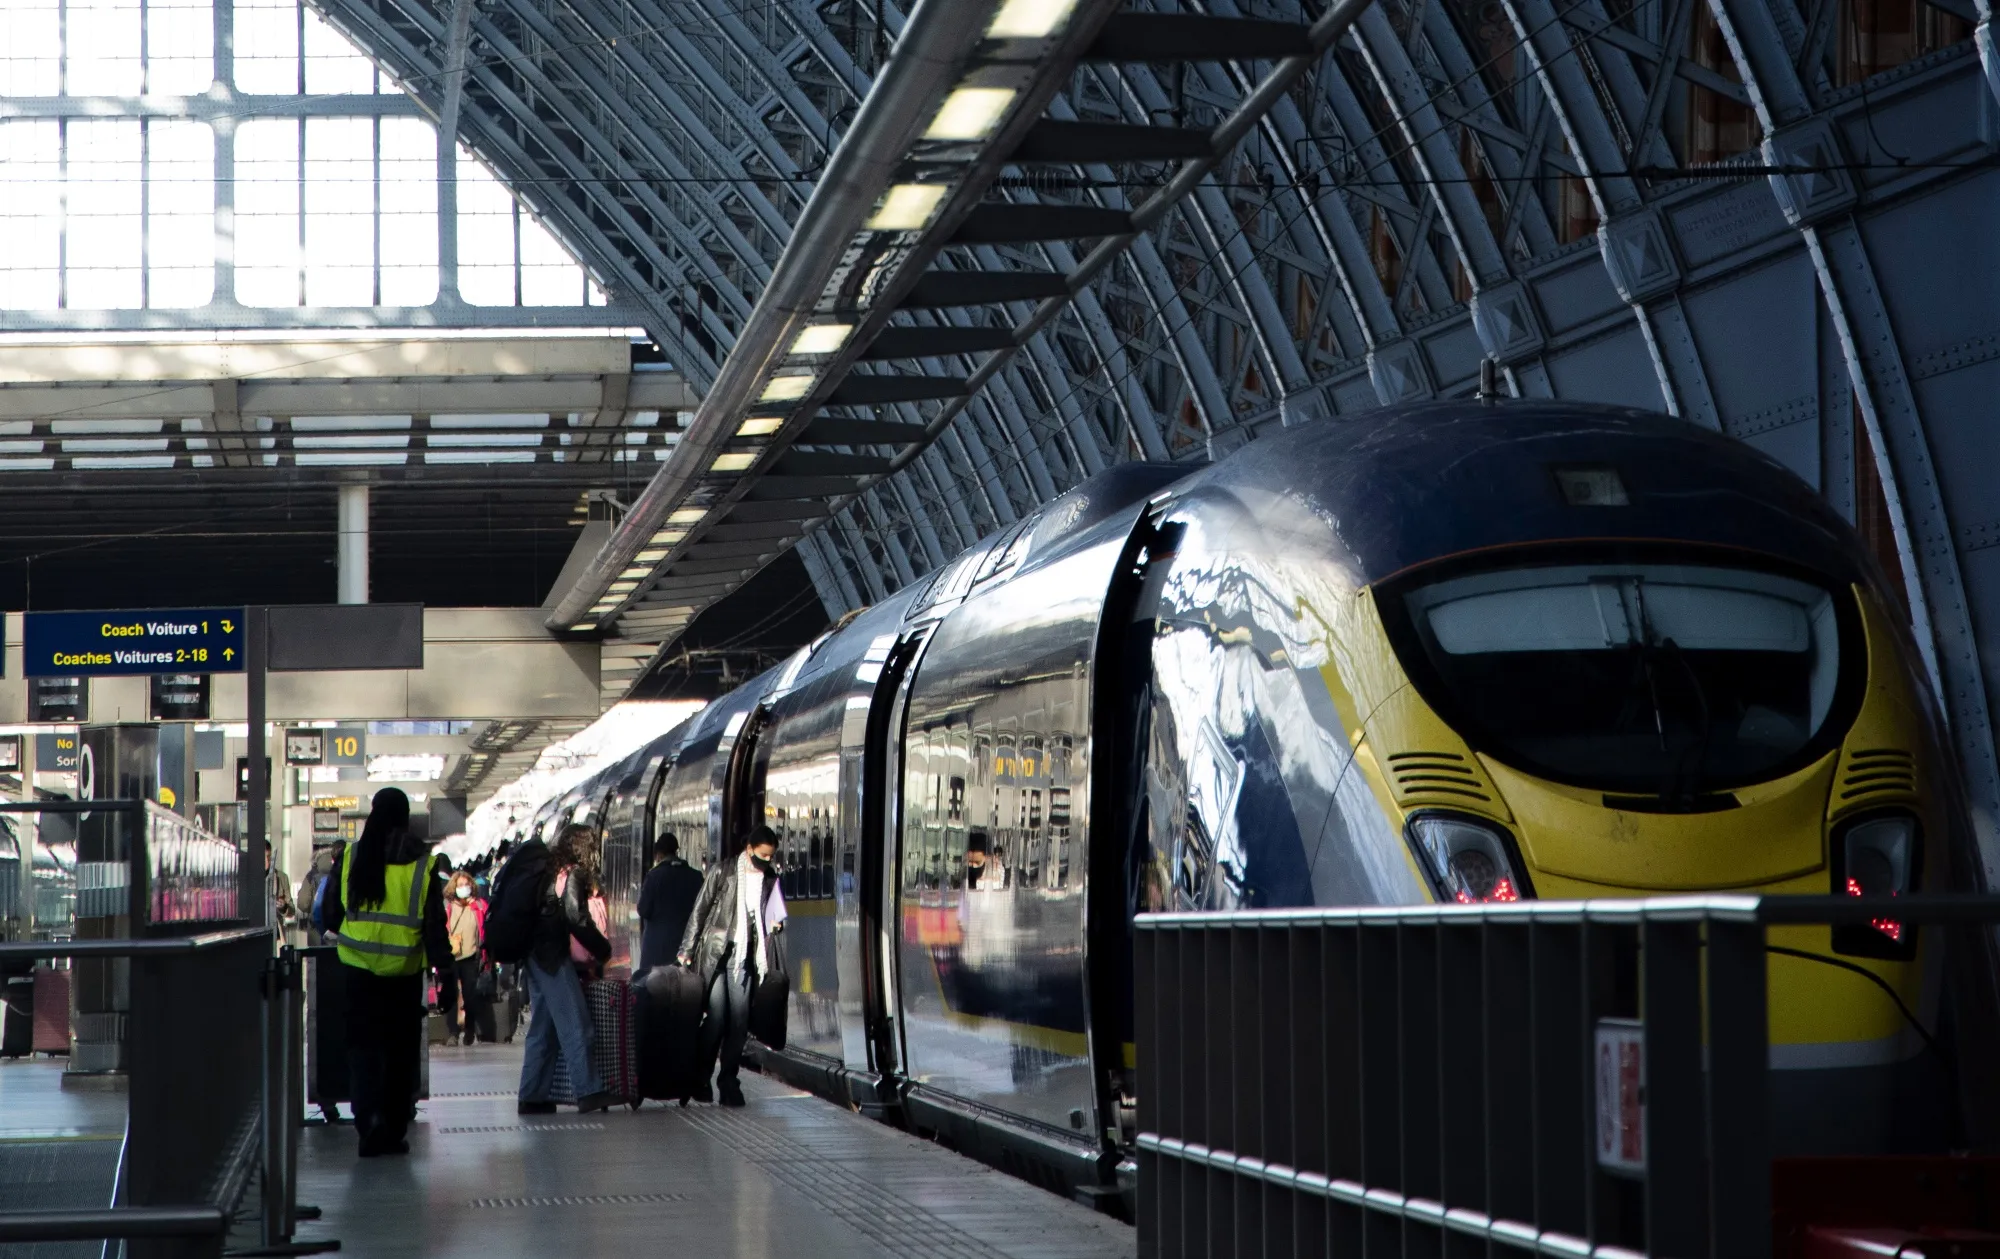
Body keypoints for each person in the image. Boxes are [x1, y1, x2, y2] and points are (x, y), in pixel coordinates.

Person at [319, 787, 448, 1157]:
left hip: (359, 975)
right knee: (399, 1054)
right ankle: (392, 1129)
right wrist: (449, 978)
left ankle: (367, 1124)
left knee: (363, 1052)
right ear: (406, 819)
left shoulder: (354, 857)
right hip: (403, 977)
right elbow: (435, 929)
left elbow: (329, 914)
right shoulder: (422, 864)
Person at [679, 824, 787, 1108]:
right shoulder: (722, 871)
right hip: (717, 956)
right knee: (716, 1018)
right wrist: (686, 951)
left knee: (739, 1023)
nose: (766, 862)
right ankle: (699, 1078)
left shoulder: (769, 879)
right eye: (762, 856)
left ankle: (729, 1081)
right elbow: (699, 911)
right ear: (749, 849)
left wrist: (775, 922)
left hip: (746, 958)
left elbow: (774, 912)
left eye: (770, 857)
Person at [517, 823, 616, 1115]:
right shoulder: (573, 873)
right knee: (577, 1024)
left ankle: (532, 1095)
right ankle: (589, 1091)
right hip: (553, 956)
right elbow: (576, 917)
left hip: (534, 953)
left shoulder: (549, 871)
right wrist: (603, 949)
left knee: (543, 1028)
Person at [635, 831, 702, 976]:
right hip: (685, 947)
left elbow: (643, 909)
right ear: (676, 851)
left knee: (653, 990)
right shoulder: (696, 877)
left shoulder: (654, 876)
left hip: (656, 949)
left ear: (658, 855)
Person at [444, 870, 489, 1046]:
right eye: (460, 885)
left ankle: (470, 1029)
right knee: (451, 995)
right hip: (452, 956)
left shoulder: (478, 905)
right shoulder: (448, 906)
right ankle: (453, 1032)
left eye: (466, 884)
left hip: (471, 956)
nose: (464, 888)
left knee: (471, 995)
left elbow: (485, 925)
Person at [266, 840, 297, 936]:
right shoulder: (250, 878)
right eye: (263, 858)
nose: (267, 862)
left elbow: (292, 910)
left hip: (276, 933)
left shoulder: (281, 877)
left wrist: (284, 907)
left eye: (269, 857)